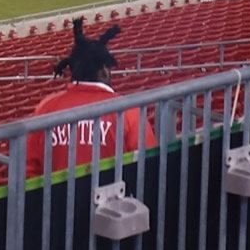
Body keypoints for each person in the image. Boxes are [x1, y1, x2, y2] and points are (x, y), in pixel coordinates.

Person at [28, 19, 155, 174]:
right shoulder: (129, 111)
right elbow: (150, 165)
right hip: (114, 196)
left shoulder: (45, 108)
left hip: (55, 198)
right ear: (104, 71)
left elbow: (28, 169)